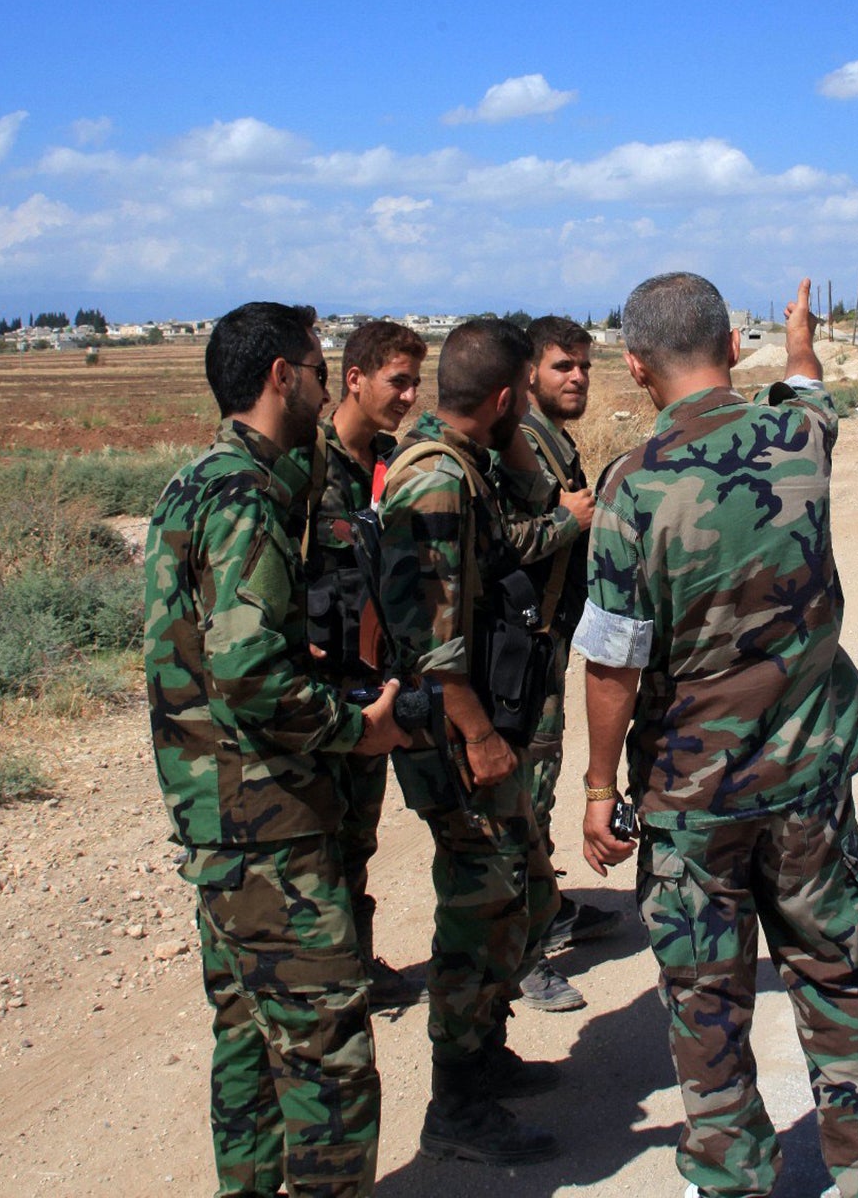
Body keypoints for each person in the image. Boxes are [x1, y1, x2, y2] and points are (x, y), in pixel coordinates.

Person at [577, 276, 858, 1198]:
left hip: (693, 796)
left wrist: (594, 788)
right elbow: (809, 380)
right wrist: (801, 336)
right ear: (734, 347)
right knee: (839, 976)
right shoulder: (800, 435)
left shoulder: (632, 487)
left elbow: (612, 666)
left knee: (708, 1000)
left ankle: (731, 1178)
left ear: (635, 365)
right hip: (810, 775)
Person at [144, 301, 407, 1198]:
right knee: (327, 1051)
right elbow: (247, 668)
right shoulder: (249, 494)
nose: (328, 382)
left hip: (220, 813)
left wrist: (314, 662)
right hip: (267, 820)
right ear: (281, 377)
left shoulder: (195, 481)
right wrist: (355, 728)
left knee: (250, 1039)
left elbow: (210, 645)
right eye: (320, 366)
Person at [375, 317, 569, 1166]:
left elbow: (528, 510)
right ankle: (457, 1101)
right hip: (459, 732)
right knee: (477, 910)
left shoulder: (465, 461)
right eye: (519, 394)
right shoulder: (440, 482)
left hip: (477, 723)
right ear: (501, 396)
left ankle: (482, 1057)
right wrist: (483, 736)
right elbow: (436, 640)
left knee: (515, 894)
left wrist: (508, 434)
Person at [301, 319, 428, 1009]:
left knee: (357, 835)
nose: (409, 395)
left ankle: (356, 959)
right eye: (396, 380)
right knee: (315, 841)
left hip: (370, 683)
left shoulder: (391, 464)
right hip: (315, 691)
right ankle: (328, 972)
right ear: (354, 378)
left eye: (416, 381)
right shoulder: (306, 466)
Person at [507, 315, 621, 1014]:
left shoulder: (548, 442)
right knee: (525, 798)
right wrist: (568, 523)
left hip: (548, 644)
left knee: (538, 788)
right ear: (529, 375)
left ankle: (545, 909)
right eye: (561, 367)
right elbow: (493, 547)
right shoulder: (519, 445)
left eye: (582, 365)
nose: (577, 377)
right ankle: (522, 955)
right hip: (522, 651)